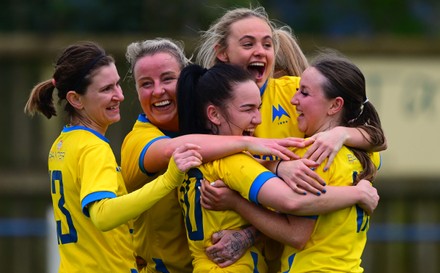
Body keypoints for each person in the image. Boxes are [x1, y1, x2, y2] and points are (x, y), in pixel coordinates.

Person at [121, 38, 311, 273]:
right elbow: (174, 150)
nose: (158, 90)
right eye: (146, 84)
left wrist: (274, 168)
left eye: (168, 78)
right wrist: (249, 144)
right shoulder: (139, 141)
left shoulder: (226, 142)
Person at [176, 62, 379, 273]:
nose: (293, 100)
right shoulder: (367, 155)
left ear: (335, 105)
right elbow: (378, 139)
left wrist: (235, 201)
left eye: (305, 93)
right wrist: (358, 193)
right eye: (248, 109)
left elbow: (296, 232)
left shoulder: (315, 156)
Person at [23, 41, 203, 273]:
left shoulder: (62, 144)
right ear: (76, 99)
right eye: (106, 89)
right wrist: (168, 180)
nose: (119, 96)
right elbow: (103, 215)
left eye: (117, 85)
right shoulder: (93, 148)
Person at [195, 6, 387, 194]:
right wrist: (276, 166)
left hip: (287, 216)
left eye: (267, 44)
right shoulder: (204, 100)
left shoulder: (295, 92)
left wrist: (341, 134)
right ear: (222, 52)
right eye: (248, 44)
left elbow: (377, 142)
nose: (260, 51)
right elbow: (188, 153)